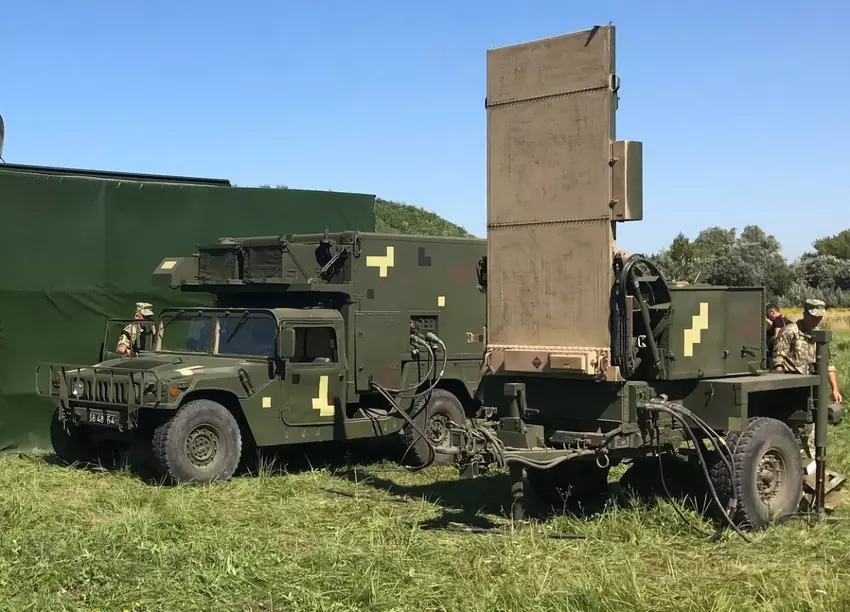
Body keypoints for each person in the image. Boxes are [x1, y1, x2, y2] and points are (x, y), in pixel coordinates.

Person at [772, 298, 843, 468]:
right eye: (813, 316)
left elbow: (828, 365)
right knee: (794, 428)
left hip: (812, 389)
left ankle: (812, 469)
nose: (817, 320)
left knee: (810, 429)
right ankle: (795, 466)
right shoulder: (790, 332)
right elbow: (778, 363)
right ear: (805, 313)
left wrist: (835, 389)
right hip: (791, 388)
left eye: (819, 316)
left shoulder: (819, 336)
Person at [765, 303, 791, 368]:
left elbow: (777, 338)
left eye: (769, 315)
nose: (769, 317)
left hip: (778, 354)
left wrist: (769, 340)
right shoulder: (784, 320)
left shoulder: (777, 321)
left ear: (772, 312)